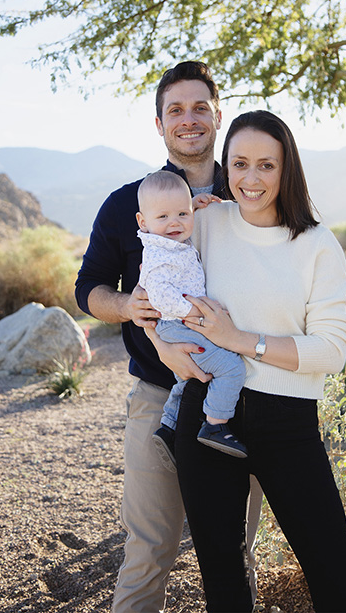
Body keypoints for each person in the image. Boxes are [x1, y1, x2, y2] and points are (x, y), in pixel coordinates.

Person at [144, 110, 346, 612]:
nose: (251, 178)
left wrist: (240, 339)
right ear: (226, 166)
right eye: (239, 164)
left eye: (266, 165)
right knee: (223, 582)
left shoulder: (316, 245)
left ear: (287, 169)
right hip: (207, 421)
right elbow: (153, 285)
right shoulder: (204, 224)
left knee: (333, 576)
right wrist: (162, 345)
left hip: (289, 422)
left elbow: (332, 350)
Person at [75, 61, 262, 613]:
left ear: (218, 116)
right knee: (149, 549)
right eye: (175, 110)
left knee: (233, 554)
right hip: (159, 398)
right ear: (159, 124)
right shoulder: (128, 204)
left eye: (200, 107)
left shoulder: (252, 195)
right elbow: (88, 289)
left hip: (242, 400)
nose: (189, 119)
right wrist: (129, 307)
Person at [135, 170, 247, 468]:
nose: (175, 223)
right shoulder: (159, 257)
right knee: (231, 366)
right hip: (176, 324)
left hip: (178, 324)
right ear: (142, 222)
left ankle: (169, 427)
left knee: (186, 378)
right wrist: (199, 312)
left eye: (182, 214)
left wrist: (192, 207)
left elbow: (176, 216)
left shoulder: (167, 242)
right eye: (163, 217)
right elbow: (161, 298)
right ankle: (215, 424)